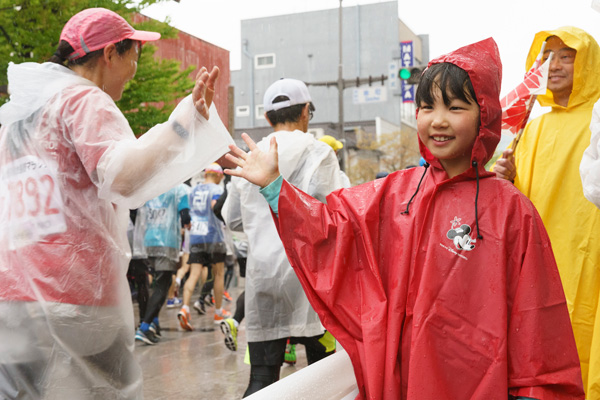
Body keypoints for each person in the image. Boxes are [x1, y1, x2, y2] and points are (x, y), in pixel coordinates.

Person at [225, 38, 584, 399]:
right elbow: (328, 230)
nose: (438, 120)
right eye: (427, 107)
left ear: (485, 114)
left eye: (456, 107)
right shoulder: (395, 193)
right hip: (405, 378)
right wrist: (275, 188)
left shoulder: (512, 210)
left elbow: (537, 322)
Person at [0, 7, 232, 398]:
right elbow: (122, 176)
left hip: (13, 300)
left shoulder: (20, 118)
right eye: (133, 57)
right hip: (76, 298)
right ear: (109, 54)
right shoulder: (83, 101)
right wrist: (183, 122)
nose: (134, 70)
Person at [494, 26, 600, 398]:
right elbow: (517, 204)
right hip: (542, 264)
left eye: (566, 56)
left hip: (590, 260)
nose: (553, 65)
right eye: (547, 57)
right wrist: (504, 180)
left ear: (587, 63)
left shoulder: (598, 119)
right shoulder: (531, 129)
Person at [222, 78, 344, 396]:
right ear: (306, 111)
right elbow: (336, 212)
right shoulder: (320, 153)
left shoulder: (251, 155)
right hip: (311, 278)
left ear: (267, 118)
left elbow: (232, 218)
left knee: (262, 379)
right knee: (324, 379)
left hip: (263, 277)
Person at [134, 183, 190, 345]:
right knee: (162, 286)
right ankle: (144, 327)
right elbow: (185, 216)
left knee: (155, 284)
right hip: (167, 242)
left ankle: (154, 323)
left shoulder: (151, 185)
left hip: (149, 241)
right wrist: (188, 224)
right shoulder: (178, 187)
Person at [177, 163, 231, 330]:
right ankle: (218, 311)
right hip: (214, 237)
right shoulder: (216, 190)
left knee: (193, 274)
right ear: (219, 176)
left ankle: (185, 308)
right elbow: (216, 207)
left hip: (196, 237)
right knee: (218, 274)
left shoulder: (193, 191)